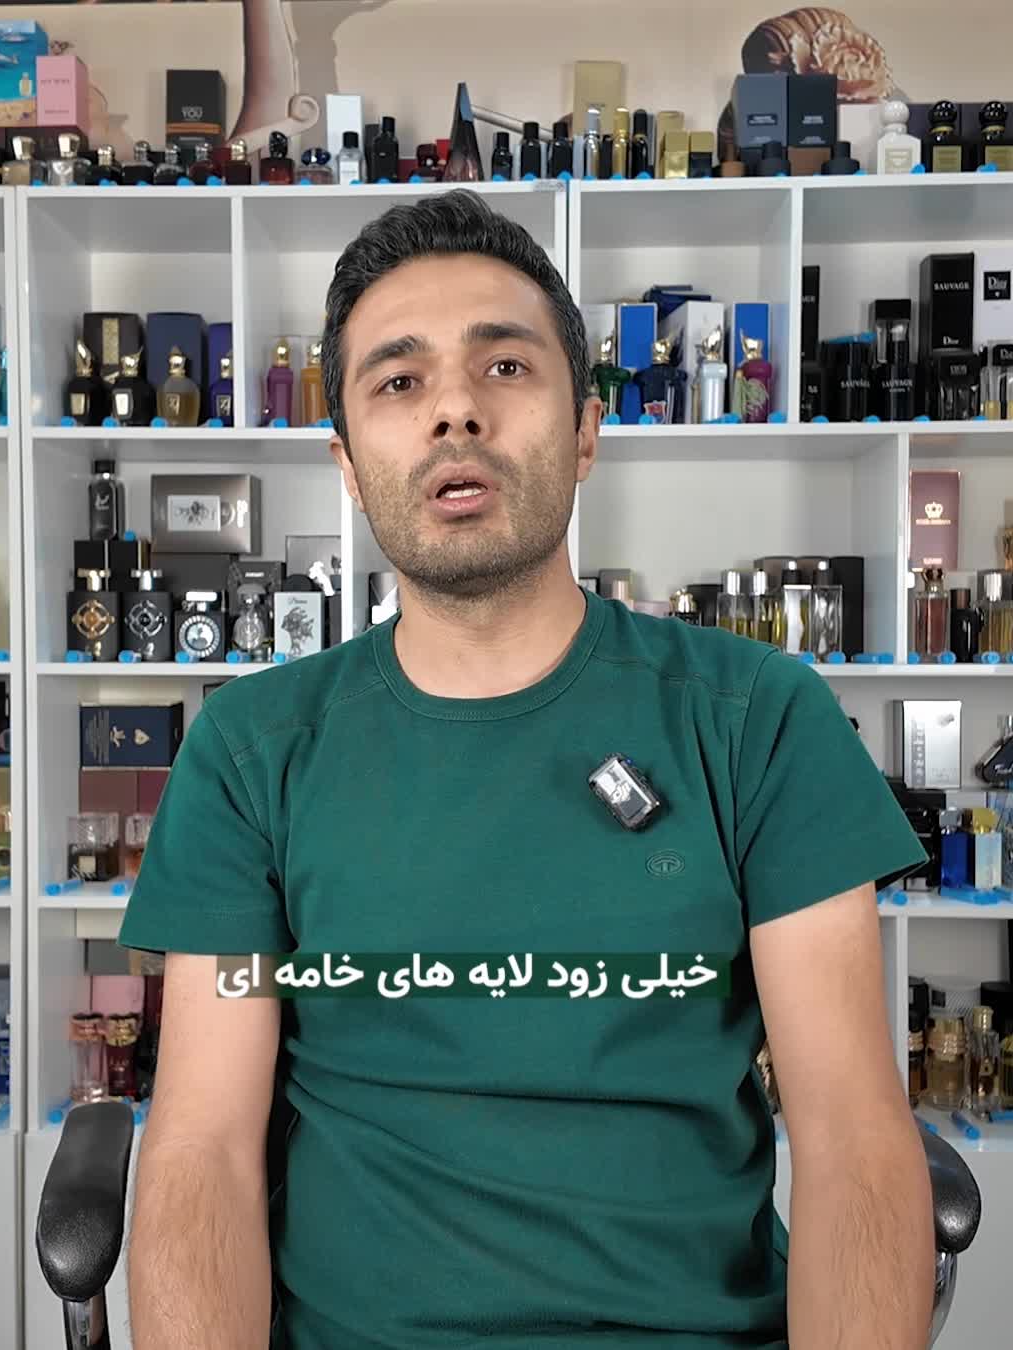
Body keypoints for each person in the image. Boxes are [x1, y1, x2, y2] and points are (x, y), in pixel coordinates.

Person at [119, 188, 934, 1350]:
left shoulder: (757, 721)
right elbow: (202, 1147)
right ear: (347, 463)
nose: (455, 408)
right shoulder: (252, 753)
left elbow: (854, 1138)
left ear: (586, 431)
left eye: (504, 367)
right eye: (399, 381)